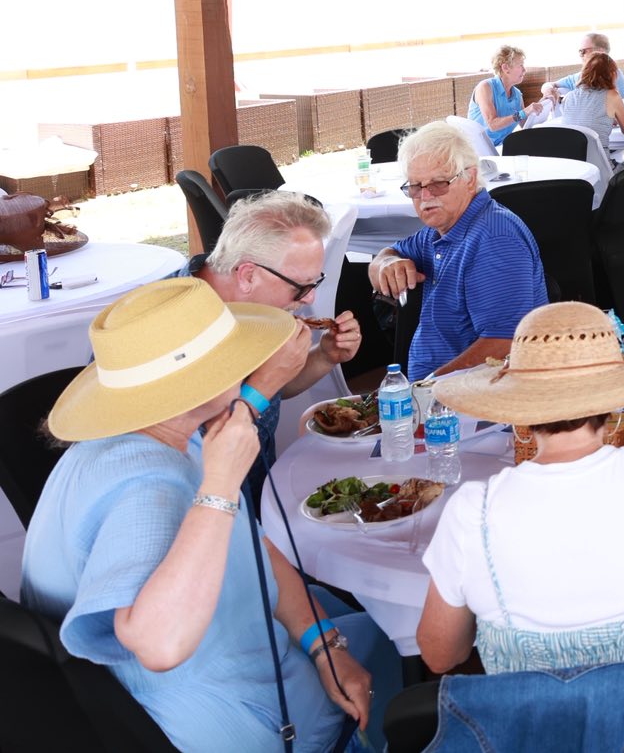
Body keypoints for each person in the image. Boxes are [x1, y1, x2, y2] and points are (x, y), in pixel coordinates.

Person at [24, 279, 400, 753]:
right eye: (233, 354)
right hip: (241, 722)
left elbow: (252, 546)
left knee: (371, 637)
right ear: (196, 381)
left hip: (230, 675)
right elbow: (159, 645)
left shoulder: (147, 439)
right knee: (405, 657)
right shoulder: (148, 487)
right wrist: (222, 484)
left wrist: (326, 645)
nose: (246, 364)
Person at [419, 302, 624, 674]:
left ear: (519, 403)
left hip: (528, 714)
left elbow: (441, 655)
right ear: (616, 395)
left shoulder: (471, 511)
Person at [190, 192, 357, 499]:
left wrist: (324, 356)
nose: (310, 298)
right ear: (247, 275)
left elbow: (272, 392)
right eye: (301, 287)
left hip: (260, 497)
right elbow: (207, 456)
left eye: (315, 283)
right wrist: (265, 382)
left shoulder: (257, 310)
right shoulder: (179, 334)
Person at [366, 122, 548, 378]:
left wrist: (427, 389)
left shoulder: (495, 237)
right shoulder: (439, 229)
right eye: (415, 186)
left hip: (477, 394)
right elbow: (386, 255)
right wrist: (385, 264)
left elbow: (505, 343)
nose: (425, 196)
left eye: (438, 183)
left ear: (470, 179)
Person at [547, 50, 624, 142]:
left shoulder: (569, 97)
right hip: (597, 151)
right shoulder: (612, 96)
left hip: (569, 150)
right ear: (612, 74)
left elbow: (583, 121)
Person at [470, 43, 538, 146]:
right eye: (520, 65)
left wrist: (543, 104)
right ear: (506, 68)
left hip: (501, 147)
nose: (525, 70)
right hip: (479, 149)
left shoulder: (517, 94)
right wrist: (524, 112)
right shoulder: (485, 87)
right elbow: (492, 125)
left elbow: (525, 123)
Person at [544, 30, 624, 106]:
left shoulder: (614, 75)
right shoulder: (580, 76)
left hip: (608, 116)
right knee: (560, 90)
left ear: (600, 52)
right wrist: (549, 91)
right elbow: (550, 84)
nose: (581, 55)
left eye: (584, 51)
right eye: (580, 52)